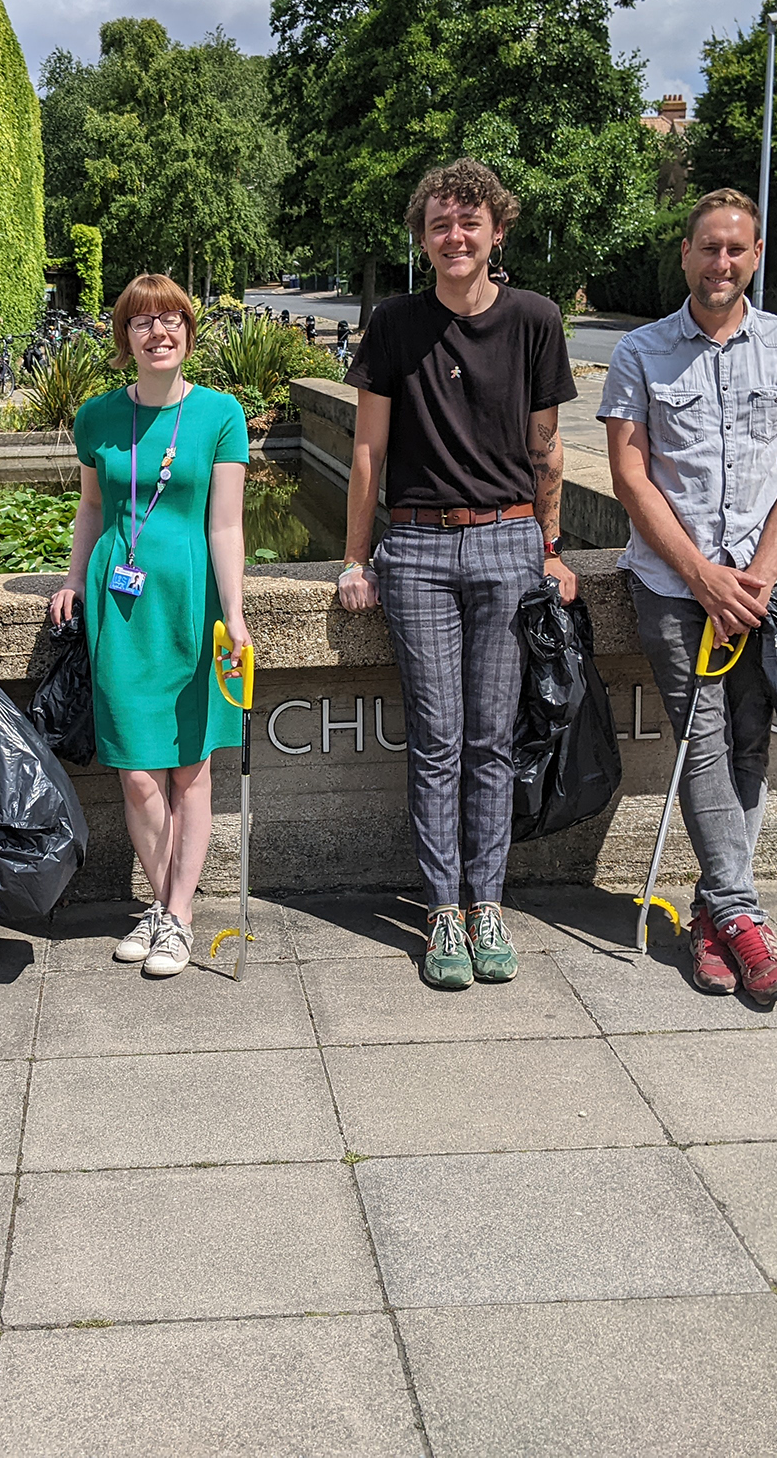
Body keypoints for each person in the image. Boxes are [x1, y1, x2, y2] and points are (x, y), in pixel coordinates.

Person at [335, 158, 578, 992]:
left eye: (470, 223)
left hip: (510, 543)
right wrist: (354, 559)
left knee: (491, 740)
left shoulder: (536, 320)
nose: (456, 236)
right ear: (423, 237)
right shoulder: (395, 323)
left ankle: (488, 904)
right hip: (420, 549)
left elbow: (546, 448)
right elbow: (367, 452)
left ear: (496, 231)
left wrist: (550, 549)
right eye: (441, 224)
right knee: (437, 742)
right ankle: (442, 911)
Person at [599, 188, 777, 1004]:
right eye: (708, 248)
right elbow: (629, 474)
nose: (721, 262)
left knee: (751, 744)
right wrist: (702, 576)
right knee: (702, 740)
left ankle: (712, 917)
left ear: (755, 256)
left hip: (764, 589)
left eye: (736, 249)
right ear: (686, 255)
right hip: (673, 585)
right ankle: (742, 913)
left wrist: (758, 576)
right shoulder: (642, 352)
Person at [49, 275, 250, 978]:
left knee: (190, 770)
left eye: (171, 321)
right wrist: (73, 579)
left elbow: (225, 525)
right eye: (143, 323)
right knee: (137, 774)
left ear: (189, 333)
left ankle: (178, 915)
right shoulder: (98, 417)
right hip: (121, 607)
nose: (158, 333)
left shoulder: (220, 414)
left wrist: (237, 615)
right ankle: (164, 905)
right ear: (124, 337)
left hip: (190, 604)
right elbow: (92, 512)